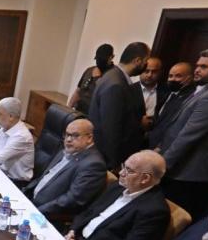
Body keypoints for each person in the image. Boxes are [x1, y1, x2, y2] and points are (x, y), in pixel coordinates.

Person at [156, 48, 208, 218]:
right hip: (183, 166)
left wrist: (161, 165)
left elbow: (189, 136)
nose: (197, 70)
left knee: (175, 217)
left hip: (192, 172)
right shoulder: (207, 88)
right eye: (197, 65)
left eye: (204, 67)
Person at [66, 149, 168, 240]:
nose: (121, 172)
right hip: (73, 239)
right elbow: (90, 211)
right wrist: (73, 229)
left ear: (145, 178)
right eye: (123, 166)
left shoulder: (154, 211)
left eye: (128, 170)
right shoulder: (119, 186)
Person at [24, 118, 106, 217]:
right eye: (67, 134)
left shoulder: (94, 165)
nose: (68, 140)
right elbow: (44, 177)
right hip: (30, 202)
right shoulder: (68, 149)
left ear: (89, 138)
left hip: (46, 214)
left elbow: (71, 200)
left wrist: (37, 211)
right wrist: (24, 193)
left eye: (75, 135)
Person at [89, 41, 150, 169]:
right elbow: (111, 129)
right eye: (146, 61)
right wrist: (114, 164)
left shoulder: (112, 75)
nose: (146, 65)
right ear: (138, 61)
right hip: (105, 158)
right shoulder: (116, 84)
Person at [148, 62, 195, 150]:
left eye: (178, 76)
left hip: (166, 148)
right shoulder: (166, 93)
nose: (173, 79)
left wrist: (161, 146)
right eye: (170, 76)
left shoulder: (190, 99)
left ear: (189, 78)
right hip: (152, 144)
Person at [68, 44, 114, 113]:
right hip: (78, 111)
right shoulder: (89, 70)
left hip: (93, 115)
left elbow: (106, 98)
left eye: (102, 60)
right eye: (97, 59)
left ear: (111, 57)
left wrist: (97, 78)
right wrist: (68, 109)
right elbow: (78, 92)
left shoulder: (113, 75)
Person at [132, 56, 167, 129]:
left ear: (160, 72)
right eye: (146, 71)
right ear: (140, 71)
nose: (149, 75)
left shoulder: (166, 92)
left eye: (154, 72)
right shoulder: (129, 90)